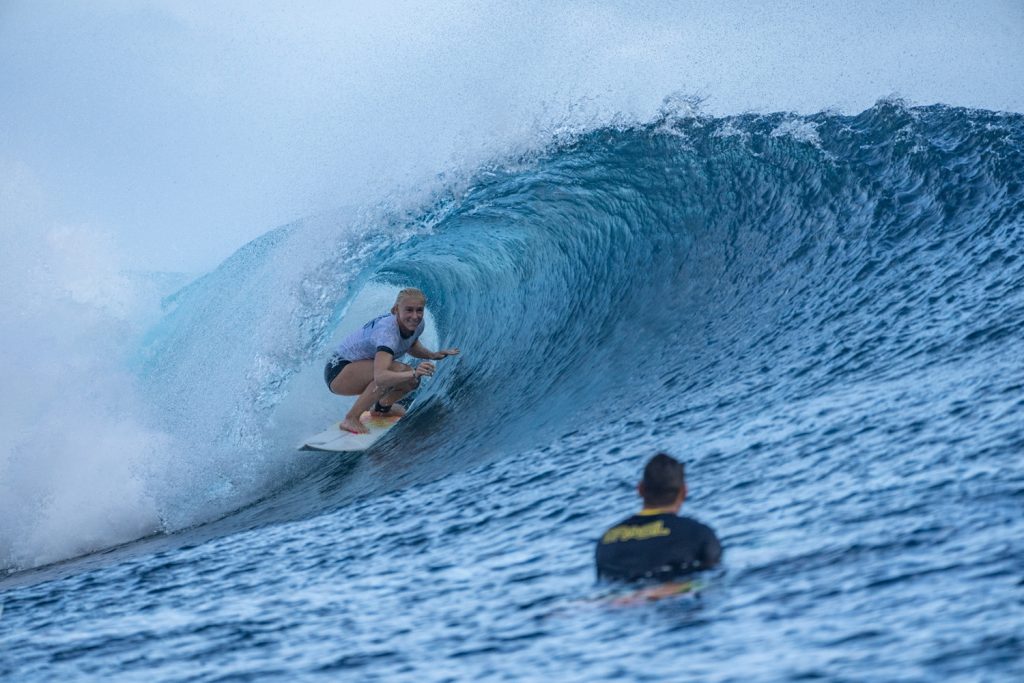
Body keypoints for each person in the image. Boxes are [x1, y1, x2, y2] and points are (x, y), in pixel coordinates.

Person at [324, 288, 459, 434]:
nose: (415, 316)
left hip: (358, 368)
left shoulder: (418, 324)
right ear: (395, 310)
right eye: (409, 310)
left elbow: (410, 345)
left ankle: (381, 409)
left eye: (419, 310)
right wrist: (414, 372)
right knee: (398, 373)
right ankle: (351, 418)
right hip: (338, 371)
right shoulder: (387, 333)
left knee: (411, 381)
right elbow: (381, 377)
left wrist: (433, 355)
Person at [595, 453, 721, 582]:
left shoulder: (607, 540)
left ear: (640, 490)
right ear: (684, 491)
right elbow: (715, 579)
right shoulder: (698, 534)